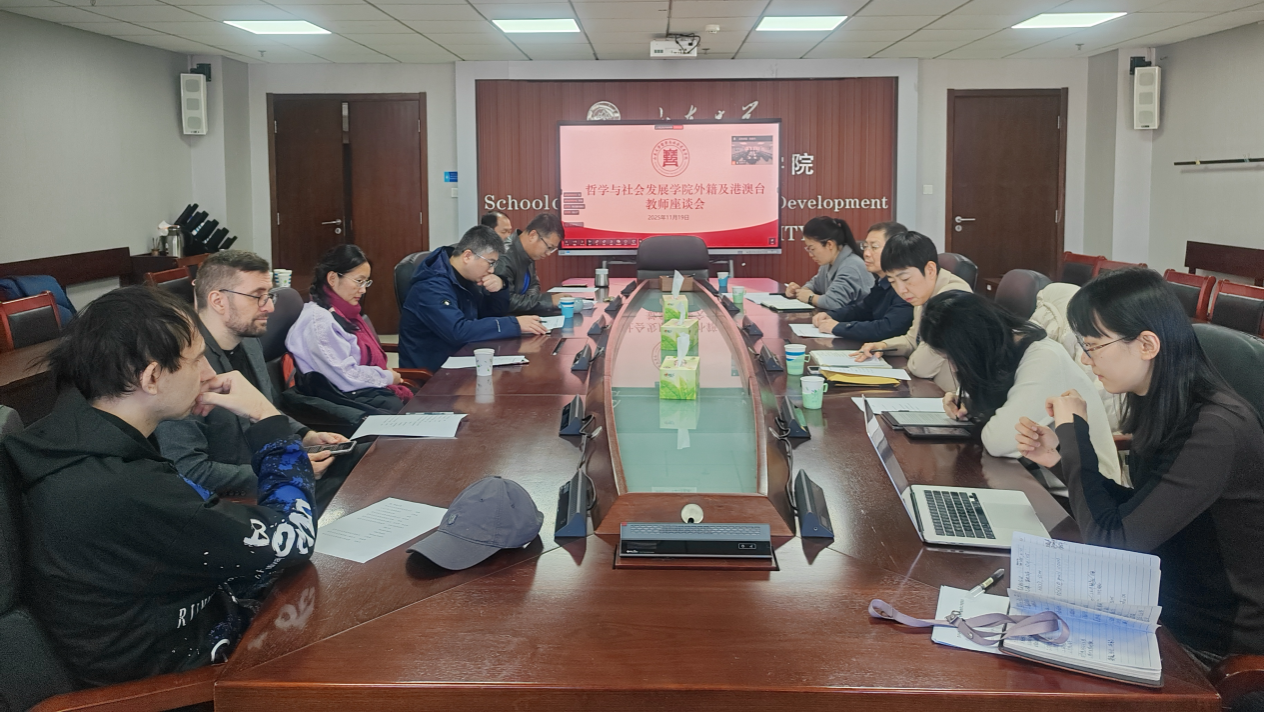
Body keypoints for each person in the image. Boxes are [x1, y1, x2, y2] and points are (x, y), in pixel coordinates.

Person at [5, 286, 316, 687]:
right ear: (151, 377)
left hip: (188, 626)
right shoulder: (124, 488)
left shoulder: (69, 435)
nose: (209, 373)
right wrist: (267, 419)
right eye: (197, 359)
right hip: (184, 689)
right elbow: (294, 537)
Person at [1015, 268, 1263, 665]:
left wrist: (1074, 433)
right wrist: (1059, 460)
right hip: (1163, 601)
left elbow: (1111, 541)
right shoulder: (1163, 402)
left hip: (1213, 642)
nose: (1086, 360)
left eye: (1093, 346)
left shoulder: (1214, 429)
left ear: (1147, 344)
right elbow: (1142, 510)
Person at [154, 250, 355, 507]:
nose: (269, 307)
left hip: (276, 477)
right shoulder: (182, 364)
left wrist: (306, 435)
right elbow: (189, 470)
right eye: (257, 296)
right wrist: (282, 472)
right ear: (218, 301)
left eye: (269, 295)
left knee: (363, 464)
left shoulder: (249, 342)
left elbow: (264, 410)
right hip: (236, 504)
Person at [919, 290, 1122, 483]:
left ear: (973, 346)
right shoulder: (1002, 349)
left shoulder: (1044, 359)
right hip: (1034, 477)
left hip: (1080, 494)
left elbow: (997, 442)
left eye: (953, 358)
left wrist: (977, 406)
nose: (954, 367)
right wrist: (966, 400)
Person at [399, 225, 549, 372]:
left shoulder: (465, 276)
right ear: (467, 256)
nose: (491, 270)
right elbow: (458, 331)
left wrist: (500, 288)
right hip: (434, 373)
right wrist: (514, 324)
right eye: (490, 263)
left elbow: (489, 315)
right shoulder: (431, 287)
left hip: (463, 358)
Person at [286, 244, 413, 405]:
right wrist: (387, 377)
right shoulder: (319, 322)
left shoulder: (345, 313)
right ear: (332, 279)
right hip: (342, 398)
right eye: (359, 281)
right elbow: (345, 376)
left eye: (366, 282)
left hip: (360, 391)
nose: (363, 290)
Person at [854, 231, 971, 392]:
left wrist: (913, 358)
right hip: (932, 388)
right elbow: (912, 340)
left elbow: (921, 367)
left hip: (952, 396)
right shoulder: (925, 293)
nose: (901, 290)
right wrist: (882, 345)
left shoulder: (952, 300)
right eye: (893, 281)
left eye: (905, 279)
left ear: (930, 270)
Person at [811, 221, 914, 341]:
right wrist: (831, 315)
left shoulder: (906, 286)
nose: (866, 254)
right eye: (865, 247)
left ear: (896, 250)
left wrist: (838, 327)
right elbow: (862, 310)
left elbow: (887, 328)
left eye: (874, 247)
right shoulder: (882, 282)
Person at [492, 213, 575, 315]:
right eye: (549, 247)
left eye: (552, 249)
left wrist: (540, 302)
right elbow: (506, 301)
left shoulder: (527, 252)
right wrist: (549, 301)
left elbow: (533, 286)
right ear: (533, 236)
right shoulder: (504, 256)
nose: (548, 253)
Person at [783, 216, 870, 311]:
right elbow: (815, 284)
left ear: (829, 245)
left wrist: (810, 297)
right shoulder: (828, 263)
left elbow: (834, 302)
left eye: (812, 249)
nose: (810, 254)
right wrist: (800, 291)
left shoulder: (851, 266)